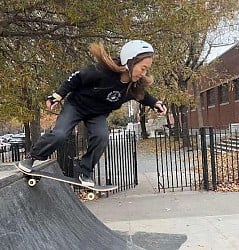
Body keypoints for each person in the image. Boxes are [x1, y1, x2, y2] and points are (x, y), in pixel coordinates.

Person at [18, 40, 167, 187]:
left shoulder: (133, 87)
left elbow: (144, 97)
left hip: (97, 114)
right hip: (76, 106)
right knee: (60, 134)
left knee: (102, 137)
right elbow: (76, 77)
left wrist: (155, 103)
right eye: (142, 68)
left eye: (146, 70)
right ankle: (31, 157)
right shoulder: (101, 72)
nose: (144, 73)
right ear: (130, 61)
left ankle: (85, 172)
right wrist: (58, 94)